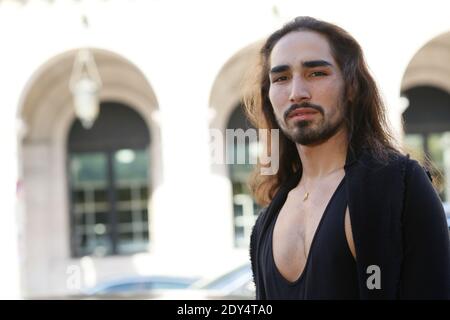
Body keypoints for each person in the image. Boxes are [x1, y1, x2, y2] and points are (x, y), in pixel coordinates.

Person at [245, 16, 450, 299]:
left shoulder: (400, 187)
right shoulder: (267, 220)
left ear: (352, 86)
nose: (297, 93)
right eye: (281, 78)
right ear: (269, 96)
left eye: (316, 73)